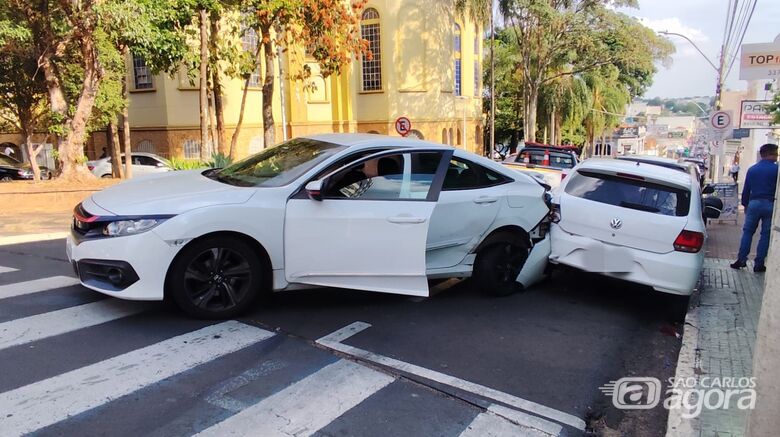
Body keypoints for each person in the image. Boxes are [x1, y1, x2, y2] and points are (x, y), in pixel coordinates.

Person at [731, 143, 778, 273]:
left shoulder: (753, 169)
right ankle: (759, 264)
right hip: (770, 204)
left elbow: (746, 190)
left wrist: (745, 205)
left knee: (747, 232)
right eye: (775, 153)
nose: (777, 156)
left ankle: (741, 260)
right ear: (770, 154)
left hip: (754, 203)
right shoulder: (777, 170)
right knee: (765, 234)